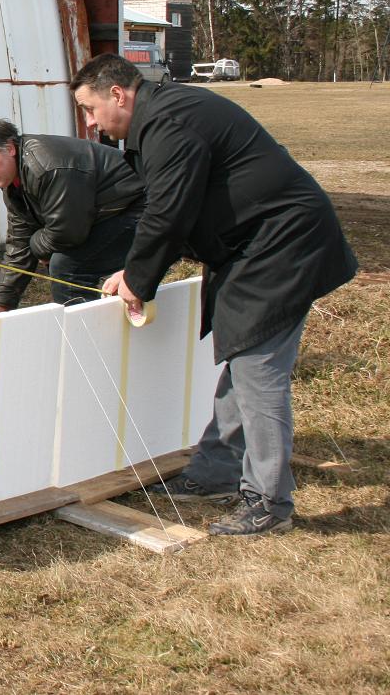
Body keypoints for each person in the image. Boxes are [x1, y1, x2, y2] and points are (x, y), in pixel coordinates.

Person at [70, 54, 358, 536]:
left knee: (259, 370)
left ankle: (268, 503)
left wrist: (139, 281)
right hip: (255, 245)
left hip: (280, 244)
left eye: (90, 108)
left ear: (117, 94)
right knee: (244, 354)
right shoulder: (162, 118)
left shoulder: (169, 122)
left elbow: (168, 213)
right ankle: (218, 470)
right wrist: (134, 270)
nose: (89, 121)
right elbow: (177, 208)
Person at [0, 117, 144, 313]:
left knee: (67, 267)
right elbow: (18, 242)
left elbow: (67, 232)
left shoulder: (46, 167)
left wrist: (37, 246)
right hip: (114, 213)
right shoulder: (15, 182)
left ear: (10, 148)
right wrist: (0, 305)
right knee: (63, 263)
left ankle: (85, 334)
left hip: (144, 209)